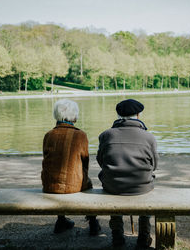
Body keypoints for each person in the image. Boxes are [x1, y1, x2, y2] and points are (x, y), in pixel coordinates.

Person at [97, 99, 159, 248]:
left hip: (113, 186)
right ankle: (144, 237)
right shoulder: (149, 137)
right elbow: (154, 165)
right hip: (141, 186)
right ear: (138, 115)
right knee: (147, 187)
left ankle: (117, 236)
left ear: (118, 115)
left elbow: (101, 161)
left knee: (112, 184)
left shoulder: (105, 135)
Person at [41, 99, 100, 235]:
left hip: (50, 185)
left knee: (57, 176)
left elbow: (46, 159)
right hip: (73, 187)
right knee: (86, 183)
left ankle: (61, 221)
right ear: (74, 115)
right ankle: (92, 222)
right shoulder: (80, 135)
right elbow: (85, 163)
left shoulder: (49, 135)